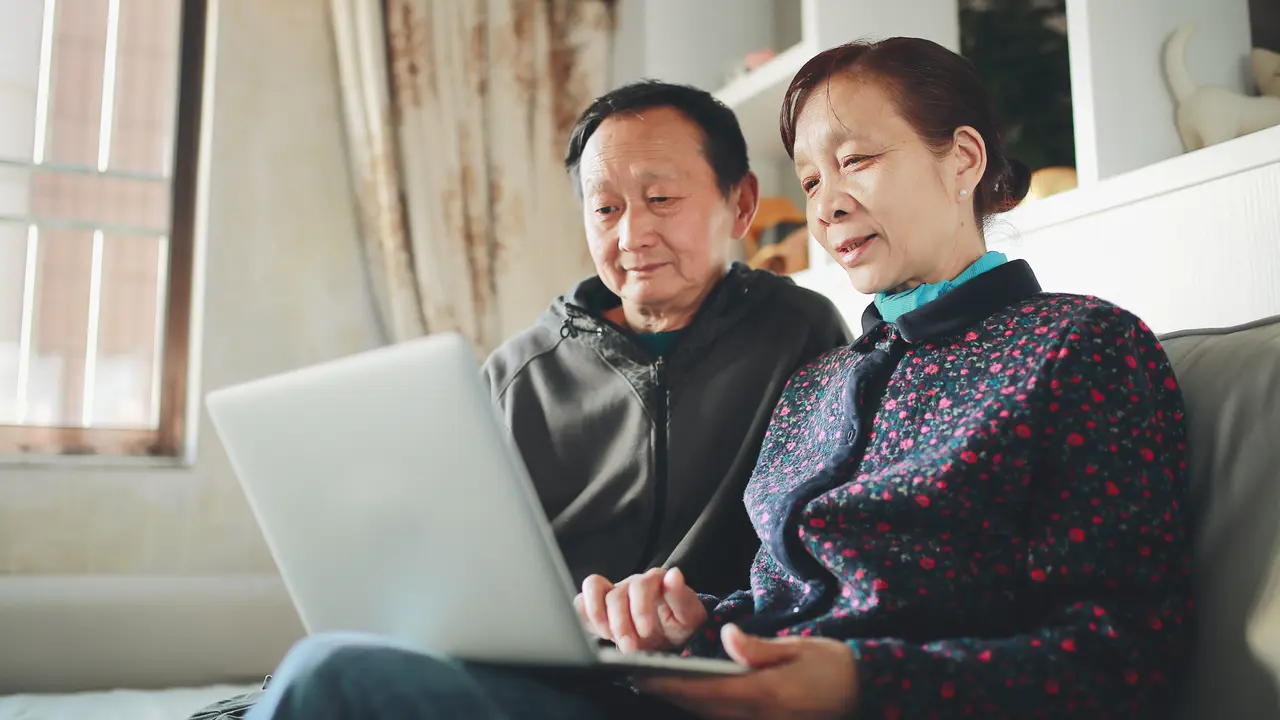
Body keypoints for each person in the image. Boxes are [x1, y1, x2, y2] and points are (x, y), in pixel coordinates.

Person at [246, 37, 1192, 720]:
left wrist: (864, 685)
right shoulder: (823, 378)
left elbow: (1126, 654)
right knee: (337, 671)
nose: (827, 204)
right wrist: (687, 624)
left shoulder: (1079, 347)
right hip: (696, 692)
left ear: (965, 161)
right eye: (811, 181)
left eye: (856, 160)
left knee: (336, 684)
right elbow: (780, 593)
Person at [480, 80, 849, 598]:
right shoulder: (518, 375)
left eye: (661, 198)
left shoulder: (797, 332)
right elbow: (475, 563)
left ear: (741, 203)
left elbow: (831, 531)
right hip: (559, 661)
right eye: (606, 209)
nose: (632, 236)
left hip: (724, 648)